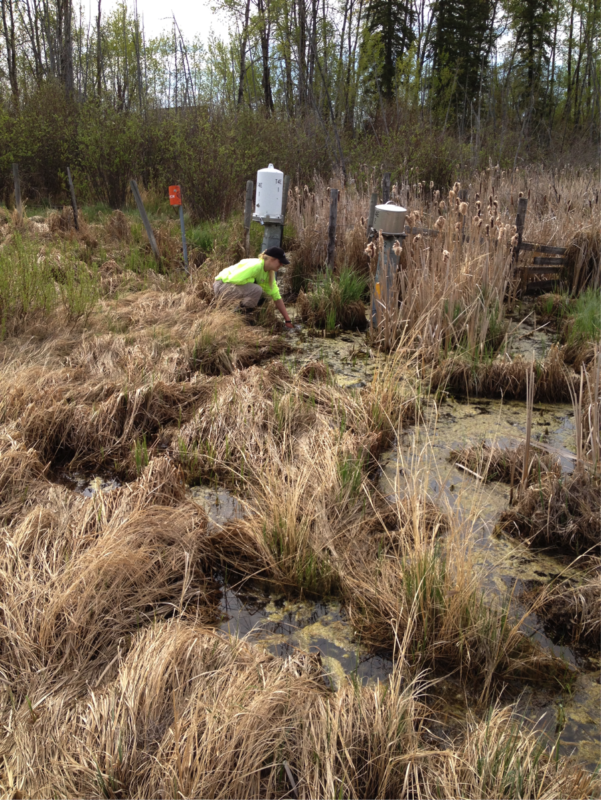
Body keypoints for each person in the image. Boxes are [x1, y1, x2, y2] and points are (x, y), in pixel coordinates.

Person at [213, 246, 294, 329]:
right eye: (280, 262)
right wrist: (253, 280)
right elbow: (233, 279)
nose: (282, 264)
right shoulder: (256, 266)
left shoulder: (268, 273)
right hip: (222, 286)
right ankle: (241, 318)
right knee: (256, 290)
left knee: (266, 296)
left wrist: (287, 320)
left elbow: (276, 297)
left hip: (230, 287)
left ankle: (242, 315)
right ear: (271, 259)